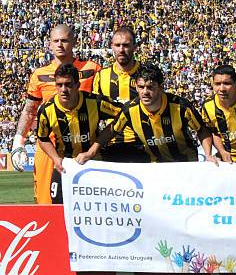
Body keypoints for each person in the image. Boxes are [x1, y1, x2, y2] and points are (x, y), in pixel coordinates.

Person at [10, 24, 101, 204]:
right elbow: (29, 110)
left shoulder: (91, 69)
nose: (60, 44)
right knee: (45, 203)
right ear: (50, 44)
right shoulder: (39, 74)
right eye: (56, 41)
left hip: (82, 147)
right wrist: (18, 142)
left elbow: (102, 106)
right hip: (48, 146)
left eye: (65, 40)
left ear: (74, 42)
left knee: (87, 204)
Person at [83, 64, 212, 163]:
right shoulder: (130, 110)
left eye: (150, 87)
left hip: (184, 163)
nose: (145, 92)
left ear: (160, 88)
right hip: (154, 166)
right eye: (141, 87)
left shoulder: (181, 106)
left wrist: (208, 155)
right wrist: (90, 152)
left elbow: (201, 130)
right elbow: (111, 130)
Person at [36, 64, 121, 204]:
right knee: (58, 208)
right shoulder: (46, 110)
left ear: (77, 85)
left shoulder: (95, 102)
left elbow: (124, 115)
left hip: (94, 164)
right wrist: (56, 159)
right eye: (59, 85)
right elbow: (42, 138)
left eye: (68, 84)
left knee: (96, 208)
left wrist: (93, 149)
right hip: (64, 166)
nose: (63, 90)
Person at [92, 27, 148, 162]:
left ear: (135, 47)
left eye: (126, 45)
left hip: (143, 146)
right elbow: (94, 112)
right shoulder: (101, 76)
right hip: (111, 145)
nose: (121, 50)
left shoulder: (146, 73)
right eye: (117, 45)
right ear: (112, 47)